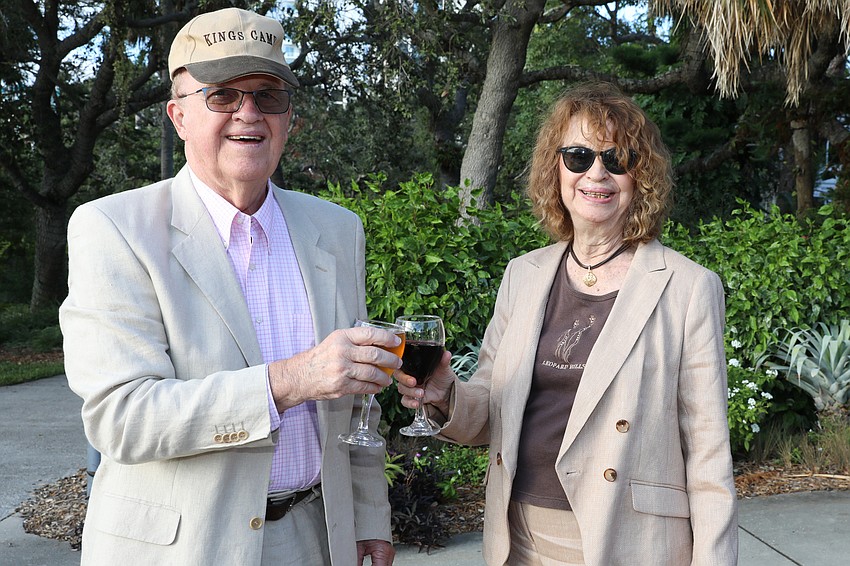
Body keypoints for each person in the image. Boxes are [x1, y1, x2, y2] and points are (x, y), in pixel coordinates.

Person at [59, 8, 398, 566]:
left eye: (268, 95)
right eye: (222, 95)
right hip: (181, 549)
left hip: (314, 538)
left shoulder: (337, 229)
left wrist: (367, 518)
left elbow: (358, 400)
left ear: (290, 119)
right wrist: (291, 379)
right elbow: (122, 417)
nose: (249, 113)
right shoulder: (113, 228)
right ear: (178, 116)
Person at [396, 82, 738, 565]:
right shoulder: (524, 273)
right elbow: (492, 409)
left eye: (616, 158)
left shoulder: (687, 287)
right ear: (554, 169)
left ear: (640, 175)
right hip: (518, 540)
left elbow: (708, 456)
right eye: (578, 156)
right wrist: (446, 394)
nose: (596, 173)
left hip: (628, 542)